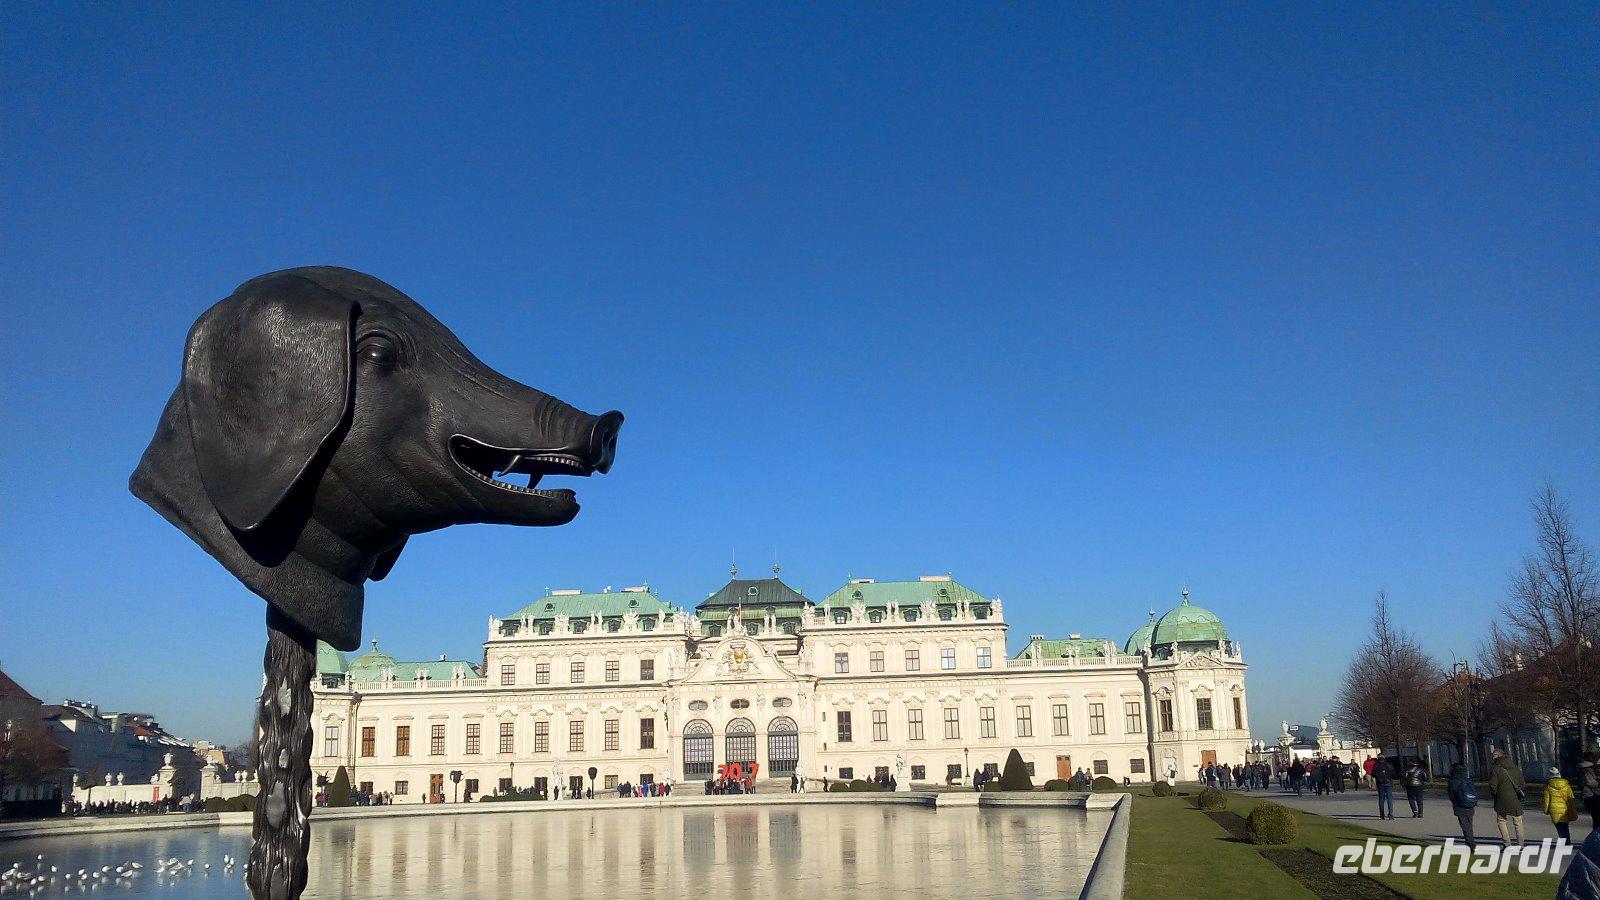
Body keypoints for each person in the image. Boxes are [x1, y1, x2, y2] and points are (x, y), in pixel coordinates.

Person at [1489, 748, 1527, 848]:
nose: (1492, 758)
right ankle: (1521, 844)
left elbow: (1493, 785)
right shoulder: (1514, 767)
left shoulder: (1495, 768)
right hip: (1515, 799)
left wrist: (1496, 795)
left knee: (1501, 821)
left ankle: (1507, 843)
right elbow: (1522, 783)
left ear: (1498, 756)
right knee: (1518, 822)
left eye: (1493, 756)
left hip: (1501, 798)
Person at [1447, 762, 1479, 849]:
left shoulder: (1453, 780)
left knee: (1465, 826)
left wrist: (1455, 803)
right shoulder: (1467, 779)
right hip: (1470, 804)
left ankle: (1470, 844)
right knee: (1469, 825)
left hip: (1460, 805)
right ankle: (1470, 841)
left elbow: (1451, 795)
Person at [1545, 766, 1579, 843]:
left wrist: (1546, 811)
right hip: (1565, 810)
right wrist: (1573, 807)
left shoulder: (1548, 787)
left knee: (1559, 828)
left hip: (1554, 811)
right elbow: (1571, 797)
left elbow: (1546, 801)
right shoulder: (1566, 785)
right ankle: (1568, 841)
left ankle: (1564, 842)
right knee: (1565, 827)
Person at [1371, 756, 1395, 820]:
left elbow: (1372, 774)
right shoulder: (1388, 764)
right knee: (1389, 799)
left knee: (1381, 799)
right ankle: (1391, 814)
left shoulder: (1376, 765)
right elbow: (1393, 773)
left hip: (1380, 783)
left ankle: (1382, 814)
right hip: (1388, 783)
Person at [1581, 753, 1600, 830]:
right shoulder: (1596, 767)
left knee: (1595, 819)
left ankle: (1596, 838)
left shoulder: (1582, 769)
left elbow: (1581, 782)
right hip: (1597, 795)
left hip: (1588, 796)